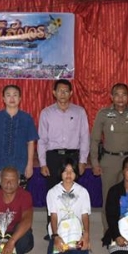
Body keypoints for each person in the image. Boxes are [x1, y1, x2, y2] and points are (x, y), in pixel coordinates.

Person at [90, 83, 128, 233]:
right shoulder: (103, 114)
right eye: (117, 94)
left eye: (124, 95)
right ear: (111, 97)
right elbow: (95, 140)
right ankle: (109, 231)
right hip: (109, 161)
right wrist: (95, 162)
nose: (120, 98)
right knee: (109, 197)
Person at [38, 79, 90, 238]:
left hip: (72, 156)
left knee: (73, 193)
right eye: (60, 90)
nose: (63, 94)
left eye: (66, 91)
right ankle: (52, 231)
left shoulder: (79, 112)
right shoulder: (46, 113)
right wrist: (43, 163)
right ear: (54, 93)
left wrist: (82, 160)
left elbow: (84, 137)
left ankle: (75, 228)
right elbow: (42, 139)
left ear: (71, 93)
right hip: (53, 157)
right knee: (53, 193)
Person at [46, 158, 102, 254]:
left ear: (76, 174)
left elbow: (85, 215)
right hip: (60, 234)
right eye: (65, 171)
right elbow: (53, 216)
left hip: (76, 234)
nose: (68, 174)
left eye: (72, 171)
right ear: (60, 173)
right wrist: (55, 236)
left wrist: (86, 235)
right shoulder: (52, 192)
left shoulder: (82, 192)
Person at [0, 85, 38, 187]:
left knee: (20, 194)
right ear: (3, 99)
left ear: (20, 98)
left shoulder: (27, 118)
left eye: (15, 95)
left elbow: (31, 143)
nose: (12, 98)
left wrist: (30, 164)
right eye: (8, 95)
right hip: (0, 164)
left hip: (21, 165)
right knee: (1, 194)